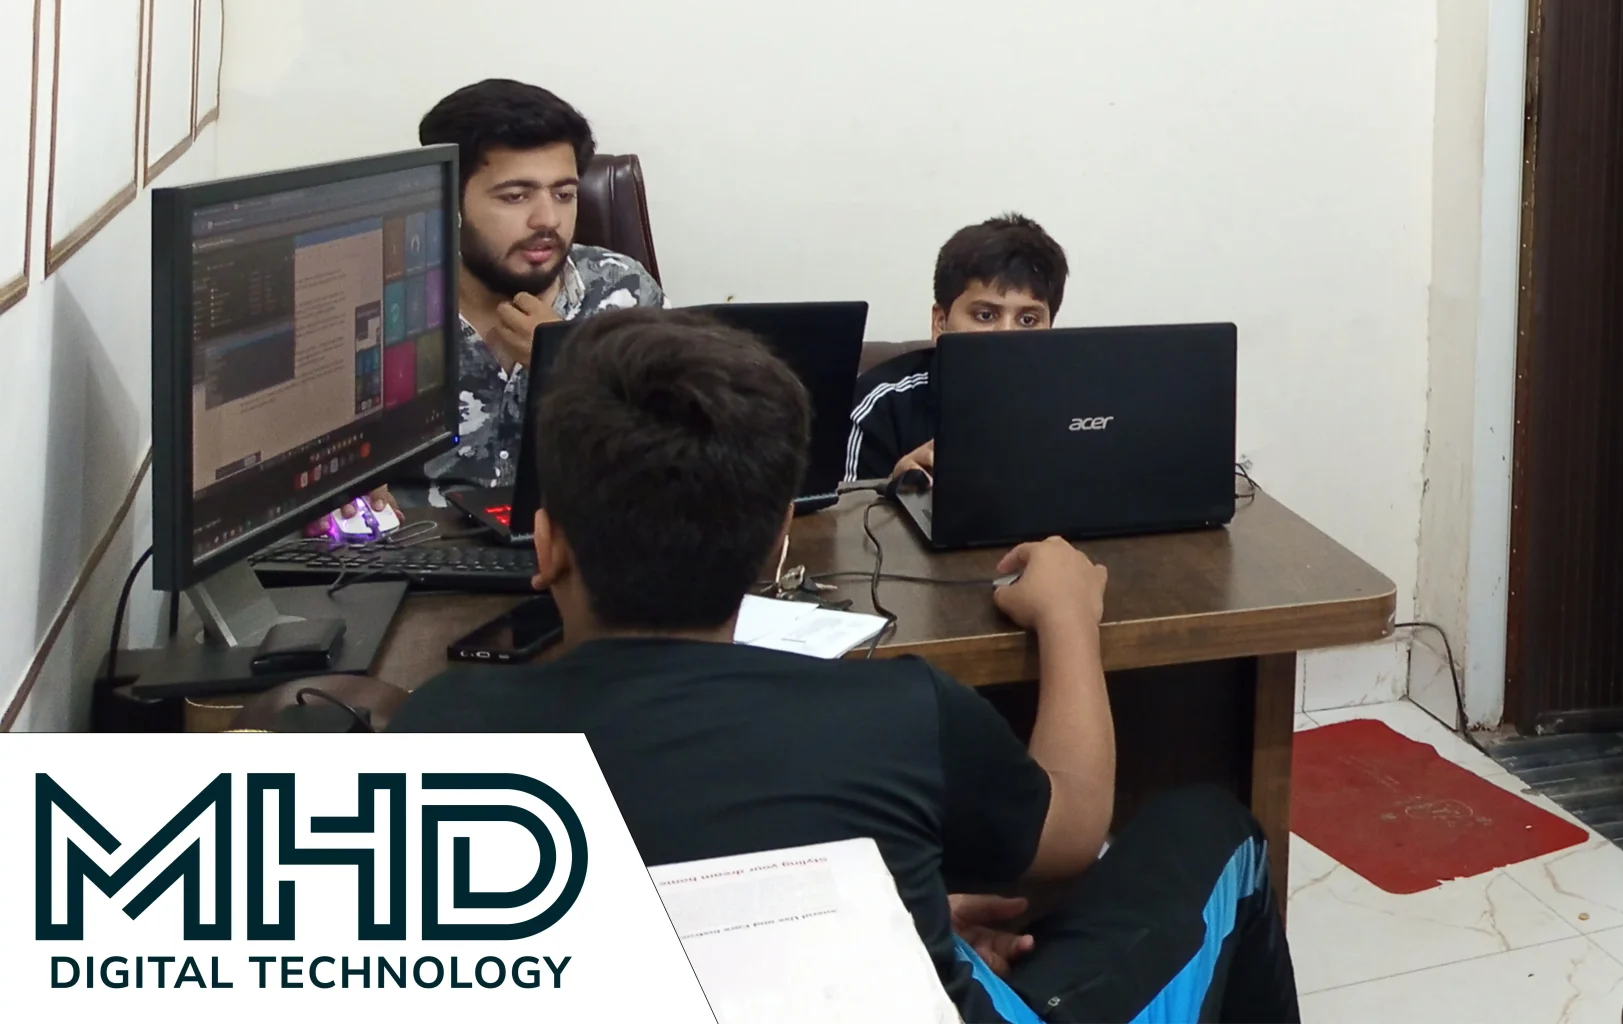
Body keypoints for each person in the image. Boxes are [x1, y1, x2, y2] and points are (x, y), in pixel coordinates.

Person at [394, 309, 1297, 1023]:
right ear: (777, 543)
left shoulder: (437, 731)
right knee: (1214, 828)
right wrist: (1068, 617)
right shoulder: (897, 713)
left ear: (546, 544)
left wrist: (908, 910)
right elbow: (1068, 833)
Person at [416, 78, 662, 488]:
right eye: (515, 196)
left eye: (564, 195)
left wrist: (565, 361)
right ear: (447, 198)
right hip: (418, 528)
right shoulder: (388, 308)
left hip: (576, 525)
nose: (548, 220)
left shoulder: (623, 291)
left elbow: (679, 453)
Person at [845, 213, 1067, 483]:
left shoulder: (1076, 404)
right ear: (940, 323)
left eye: (1028, 320)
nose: (1007, 335)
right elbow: (842, 509)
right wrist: (891, 490)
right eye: (985, 316)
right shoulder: (880, 405)